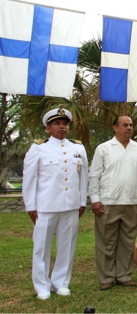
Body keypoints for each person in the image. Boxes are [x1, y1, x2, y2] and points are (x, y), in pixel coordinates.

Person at [22, 108, 88, 300]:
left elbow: (83, 178)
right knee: (41, 247)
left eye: (65, 124)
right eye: (57, 124)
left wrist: (82, 201)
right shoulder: (38, 148)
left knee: (67, 246)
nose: (62, 127)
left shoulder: (78, 148)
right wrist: (31, 206)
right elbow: (30, 179)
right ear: (48, 129)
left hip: (71, 206)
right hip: (46, 206)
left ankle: (61, 283)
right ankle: (42, 286)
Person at [89, 116, 137, 291]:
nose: (129, 128)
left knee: (127, 241)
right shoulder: (104, 149)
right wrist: (95, 200)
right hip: (108, 202)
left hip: (131, 202)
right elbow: (94, 176)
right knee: (106, 242)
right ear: (115, 128)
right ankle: (107, 278)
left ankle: (124, 276)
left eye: (130, 125)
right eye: (125, 125)